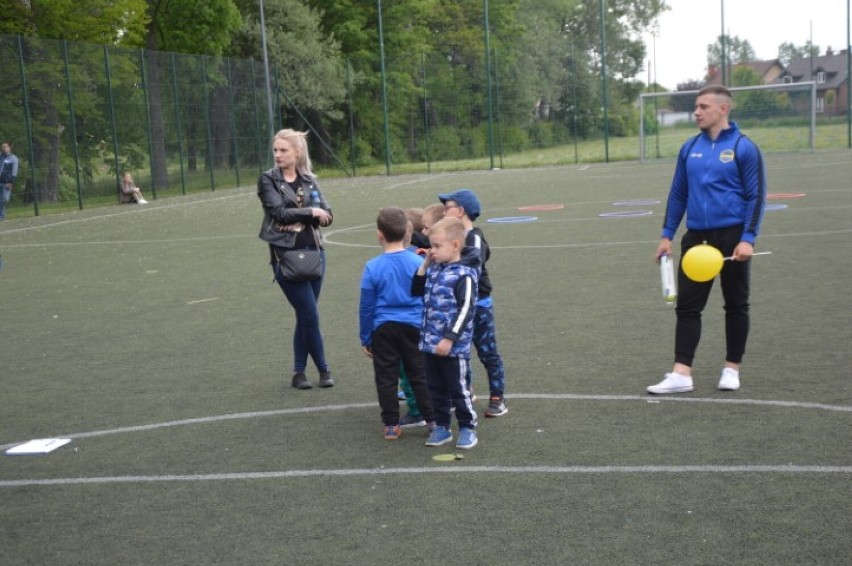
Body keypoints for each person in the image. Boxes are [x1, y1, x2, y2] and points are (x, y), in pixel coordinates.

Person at [648, 85, 766, 395]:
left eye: (703, 107)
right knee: (687, 307)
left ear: (723, 109)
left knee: (736, 304)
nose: (696, 112)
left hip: (732, 236)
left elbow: (756, 196)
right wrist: (666, 235)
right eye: (696, 107)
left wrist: (748, 238)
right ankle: (681, 373)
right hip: (696, 238)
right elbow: (678, 193)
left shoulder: (744, 148)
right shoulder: (689, 148)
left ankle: (731, 368)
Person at [257, 129, 335, 390]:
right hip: (285, 255)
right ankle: (324, 370)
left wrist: (311, 213)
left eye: (283, 150)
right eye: (276, 150)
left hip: (314, 253)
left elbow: (329, 215)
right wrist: (311, 212)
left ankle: (298, 373)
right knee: (310, 314)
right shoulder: (268, 180)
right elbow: (279, 213)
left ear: (297, 152)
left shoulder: (309, 180)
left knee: (305, 315)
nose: (278, 155)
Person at [360, 207, 436, 440]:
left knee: (386, 377)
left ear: (379, 234)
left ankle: (391, 425)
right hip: (414, 326)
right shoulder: (417, 261)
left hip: (383, 328)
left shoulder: (372, 267)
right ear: (407, 232)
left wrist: (366, 337)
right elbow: (428, 297)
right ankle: (432, 420)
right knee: (419, 373)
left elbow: (366, 306)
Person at [439, 189, 508, 417]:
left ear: (460, 211)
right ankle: (466, 391)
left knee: (487, 351)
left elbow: (474, 263)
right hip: (457, 306)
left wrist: (450, 266)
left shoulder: (474, 237)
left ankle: (498, 397)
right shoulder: (450, 238)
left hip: (478, 305)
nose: (443, 211)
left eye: (447, 206)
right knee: (460, 352)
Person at [412, 216, 479, 449]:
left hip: (452, 347)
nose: (433, 251)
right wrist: (424, 266)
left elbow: (466, 311)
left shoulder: (465, 275)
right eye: (432, 245)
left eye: (438, 246)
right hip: (429, 343)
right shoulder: (434, 269)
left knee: (458, 389)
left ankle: (468, 427)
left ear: (456, 246)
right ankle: (442, 427)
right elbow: (415, 290)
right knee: (435, 389)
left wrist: (450, 339)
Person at [0, 142, 19, 221]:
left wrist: (11, 182)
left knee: (5, 199)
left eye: (5, 147)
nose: (4, 148)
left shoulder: (14, 158)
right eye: (2, 147)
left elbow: (14, 171)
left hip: (6, 183)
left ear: (9, 148)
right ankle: (2, 216)